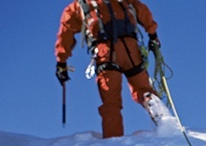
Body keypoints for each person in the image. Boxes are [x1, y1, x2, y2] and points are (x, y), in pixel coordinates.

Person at [55, 0, 161, 138]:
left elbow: (65, 34)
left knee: (111, 102)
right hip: (131, 49)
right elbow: (142, 11)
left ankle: (114, 140)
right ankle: (151, 102)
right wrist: (153, 35)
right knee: (142, 89)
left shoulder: (78, 6)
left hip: (106, 52)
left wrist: (61, 62)